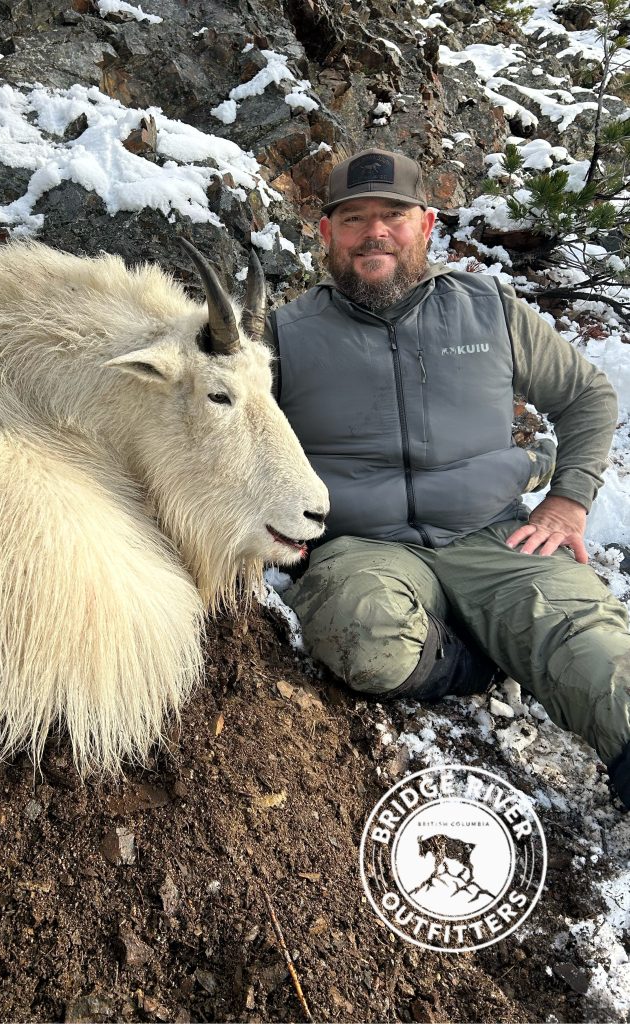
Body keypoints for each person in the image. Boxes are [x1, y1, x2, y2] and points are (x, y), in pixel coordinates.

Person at [267, 148, 630, 809]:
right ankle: (478, 659)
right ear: (326, 233)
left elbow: (588, 396)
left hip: (497, 538)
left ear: (427, 224)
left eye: (394, 215)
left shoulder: (489, 308)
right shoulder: (284, 336)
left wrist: (569, 500)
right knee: (364, 636)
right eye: (353, 219)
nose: (374, 233)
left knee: (603, 659)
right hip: (363, 545)